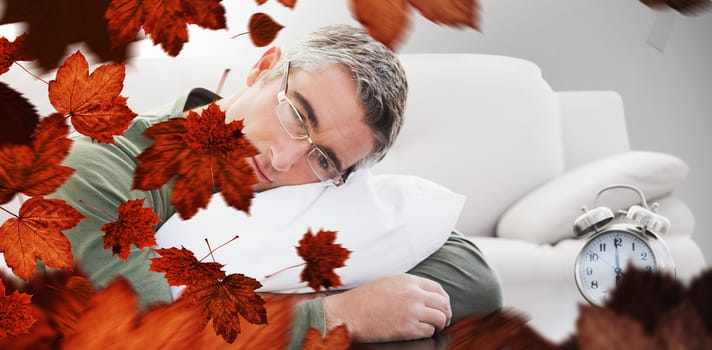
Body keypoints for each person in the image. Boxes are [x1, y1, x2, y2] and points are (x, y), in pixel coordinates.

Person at [46, 24, 502, 347]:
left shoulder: (311, 188)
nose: (283, 159)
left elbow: (470, 279)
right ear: (264, 65)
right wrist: (334, 315)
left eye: (322, 157)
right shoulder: (96, 166)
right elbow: (140, 332)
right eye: (296, 115)